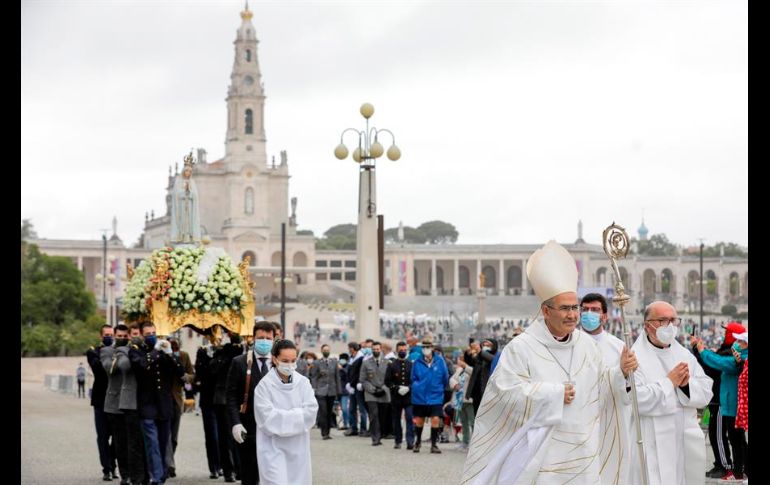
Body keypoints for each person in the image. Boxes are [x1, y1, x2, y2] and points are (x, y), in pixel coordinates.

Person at [462, 240, 637, 484]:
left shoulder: (587, 345)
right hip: (542, 453)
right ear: (546, 311)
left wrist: (621, 372)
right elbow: (504, 395)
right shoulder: (522, 347)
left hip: (583, 449)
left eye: (575, 307)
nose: (573, 315)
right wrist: (553, 394)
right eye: (565, 308)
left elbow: (602, 386)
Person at [628, 301, 714, 485]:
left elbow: (707, 390)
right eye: (662, 320)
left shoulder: (684, 355)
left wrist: (685, 386)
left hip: (683, 439)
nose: (669, 326)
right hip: (651, 439)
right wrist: (669, 382)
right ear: (647, 324)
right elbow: (636, 400)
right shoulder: (634, 357)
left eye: (673, 320)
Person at [254, 339, 318, 485]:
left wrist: (283, 415)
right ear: (275, 359)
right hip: (272, 448)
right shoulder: (264, 386)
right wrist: (298, 415)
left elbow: (311, 412)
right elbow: (266, 419)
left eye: (293, 360)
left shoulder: (303, 383)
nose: (290, 365)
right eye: (285, 360)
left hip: (298, 448)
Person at [129, 321, 186, 485]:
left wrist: (170, 353)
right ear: (141, 335)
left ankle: (159, 474)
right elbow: (140, 365)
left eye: (153, 332)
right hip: (147, 404)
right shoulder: (137, 351)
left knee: (162, 443)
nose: (152, 336)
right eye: (148, 334)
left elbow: (180, 372)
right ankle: (156, 477)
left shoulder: (165, 351)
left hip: (164, 404)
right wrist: (154, 351)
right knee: (152, 442)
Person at [691, 322, 746, 481]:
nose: (735, 340)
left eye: (727, 332)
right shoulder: (731, 352)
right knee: (729, 438)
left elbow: (716, 364)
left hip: (725, 402)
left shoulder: (734, 355)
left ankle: (728, 468)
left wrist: (700, 350)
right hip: (721, 399)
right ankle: (730, 467)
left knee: (725, 437)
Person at [226, 322, 276, 485]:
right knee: (249, 474)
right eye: (261, 338)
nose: (264, 341)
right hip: (249, 427)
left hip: (274, 428)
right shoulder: (240, 362)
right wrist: (235, 423)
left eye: (268, 338)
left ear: (274, 339)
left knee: (274, 474)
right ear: (253, 338)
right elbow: (231, 396)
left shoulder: (278, 363)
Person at [102, 324, 145, 485]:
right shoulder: (107, 351)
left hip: (130, 401)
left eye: (124, 336)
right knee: (120, 442)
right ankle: (124, 474)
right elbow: (109, 368)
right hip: (114, 403)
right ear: (114, 336)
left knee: (132, 441)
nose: (121, 338)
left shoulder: (132, 350)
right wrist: (122, 352)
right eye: (118, 336)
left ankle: (134, 473)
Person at [209, 331, 244, 482]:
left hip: (239, 397)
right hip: (222, 397)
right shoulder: (221, 353)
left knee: (239, 436)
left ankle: (240, 469)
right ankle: (229, 470)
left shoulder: (245, 352)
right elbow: (213, 370)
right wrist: (223, 354)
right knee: (225, 436)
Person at [86, 325, 117, 481]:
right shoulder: (93, 352)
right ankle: (106, 468)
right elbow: (99, 369)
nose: (109, 337)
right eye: (106, 335)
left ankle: (113, 464)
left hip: (117, 400)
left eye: (111, 335)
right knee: (103, 436)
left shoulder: (119, 351)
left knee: (117, 437)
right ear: (101, 337)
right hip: (100, 400)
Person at [411, 336, 449, 454]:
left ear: (432, 348)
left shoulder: (440, 361)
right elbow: (412, 378)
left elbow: (445, 378)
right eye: (424, 347)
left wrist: (439, 388)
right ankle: (418, 442)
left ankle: (434, 444)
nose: (425, 349)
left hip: (435, 395)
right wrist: (417, 387)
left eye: (428, 347)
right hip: (420, 396)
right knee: (419, 420)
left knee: (435, 419)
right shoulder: (417, 362)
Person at [165, 337, 194, 479]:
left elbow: (192, 375)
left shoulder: (184, 356)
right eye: (172, 347)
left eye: (176, 347)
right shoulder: (161, 355)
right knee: (166, 435)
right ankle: (168, 465)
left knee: (174, 437)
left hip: (177, 400)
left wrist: (184, 377)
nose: (174, 350)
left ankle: (169, 461)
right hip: (163, 399)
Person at [195, 340, 221, 479]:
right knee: (212, 435)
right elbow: (201, 372)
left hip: (223, 399)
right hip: (208, 399)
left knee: (225, 435)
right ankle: (214, 467)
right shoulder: (202, 352)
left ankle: (225, 465)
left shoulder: (226, 351)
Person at [359, 341, 391, 446]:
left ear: (381, 349)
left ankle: (380, 434)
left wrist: (383, 388)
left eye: (378, 349)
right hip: (370, 393)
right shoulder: (366, 362)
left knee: (383, 416)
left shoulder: (388, 362)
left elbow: (390, 379)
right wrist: (373, 389)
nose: (376, 351)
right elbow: (363, 379)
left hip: (384, 392)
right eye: (374, 349)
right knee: (374, 415)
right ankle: (375, 438)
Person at [385, 341, 415, 450]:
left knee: (410, 418)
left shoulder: (411, 364)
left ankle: (410, 441)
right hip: (396, 397)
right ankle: (397, 440)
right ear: (397, 351)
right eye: (401, 350)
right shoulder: (392, 365)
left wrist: (409, 388)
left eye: (404, 350)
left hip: (408, 397)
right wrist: (396, 388)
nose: (403, 351)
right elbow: (387, 381)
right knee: (396, 420)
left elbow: (415, 380)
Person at [309, 344, 341, 440]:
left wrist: (338, 390)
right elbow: (313, 376)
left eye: (328, 349)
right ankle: (324, 433)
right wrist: (314, 388)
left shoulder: (334, 362)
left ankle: (328, 432)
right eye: (324, 350)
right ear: (321, 351)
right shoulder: (317, 363)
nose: (326, 351)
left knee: (329, 412)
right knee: (323, 411)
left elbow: (337, 377)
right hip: (321, 391)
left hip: (331, 390)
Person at [449, 354, 473, 451]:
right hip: (460, 400)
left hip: (470, 400)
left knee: (472, 422)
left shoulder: (471, 368)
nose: (459, 361)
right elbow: (452, 378)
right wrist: (455, 384)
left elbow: (473, 373)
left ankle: (474, 443)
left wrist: (465, 366)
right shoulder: (459, 370)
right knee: (464, 422)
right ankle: (465, 442)